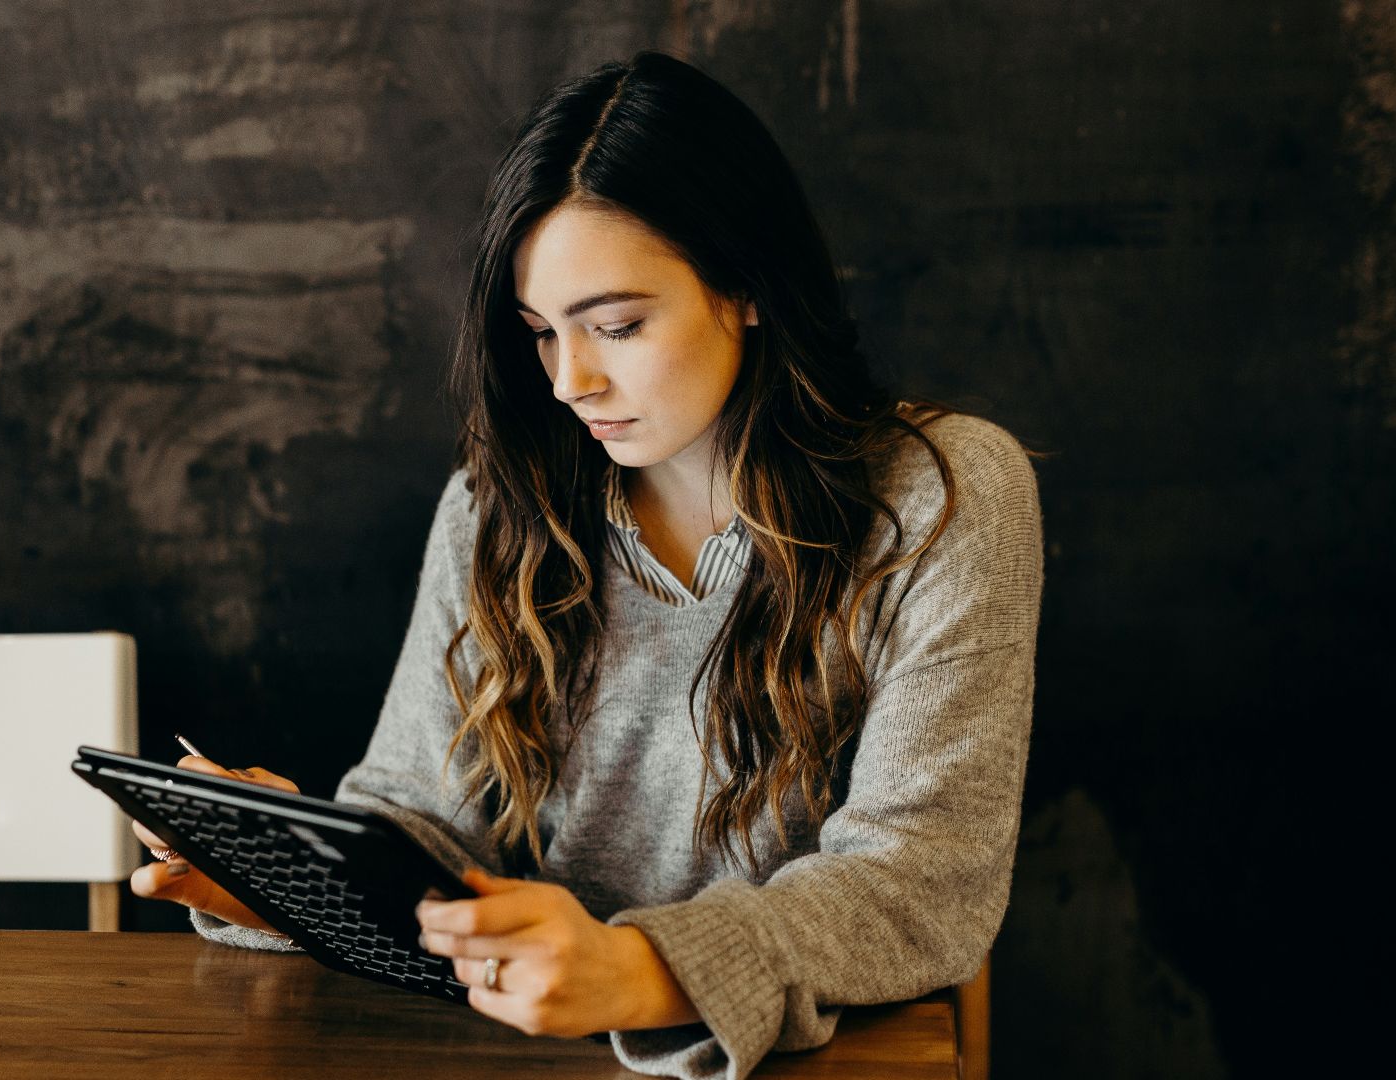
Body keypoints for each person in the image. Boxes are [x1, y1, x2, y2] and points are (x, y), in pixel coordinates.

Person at [130, 50, 1042, 1080]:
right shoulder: (497, 507)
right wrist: (296, 880)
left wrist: (640, 970)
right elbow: (428, 826)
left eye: (617, 325)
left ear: (746, 287)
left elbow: (924, 881)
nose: (571, 381)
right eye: (540, 335)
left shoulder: (943, 495)